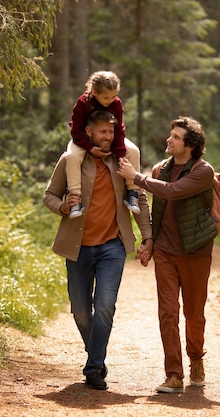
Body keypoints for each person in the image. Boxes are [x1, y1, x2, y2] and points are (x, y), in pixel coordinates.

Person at [44, 110, 153, 390]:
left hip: (112, 247)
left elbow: (139, 197)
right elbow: (50, 195)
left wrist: (147, 236)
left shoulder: (122, 161)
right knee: (81, 311)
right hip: (77, 248)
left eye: (111, 132)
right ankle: (97, 355)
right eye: (102, 131)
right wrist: (63, 207)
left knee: (104, 306)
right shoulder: (71, 160)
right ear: (89, 132)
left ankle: (93, 368)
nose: (107, 137)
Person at [117, 116, 217, 393]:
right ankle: (174, 374)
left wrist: (135, 178)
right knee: (168, 313)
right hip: (165, 252)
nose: (168, 140)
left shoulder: (203, 171)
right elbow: (156, 206)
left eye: (175, 137)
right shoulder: (160, 168)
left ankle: (196, 359)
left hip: (196, 251)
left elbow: (173, 192)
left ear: (190, 145)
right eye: (170, 134)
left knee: (194, 314)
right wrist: (149, 240)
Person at [66, 70, 142, 218]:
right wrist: (90, 148)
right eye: (106, 97)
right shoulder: (83, 103)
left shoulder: (116, 104)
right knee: (72, 156)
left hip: (111, 136)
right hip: (83, 138)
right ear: (94, 92)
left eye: (114, 96)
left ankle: (133, 192)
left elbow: (119, 130)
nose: (110, 100)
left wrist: (120, 154)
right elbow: (75, 131)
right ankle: (75, 198)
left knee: (133, 151)